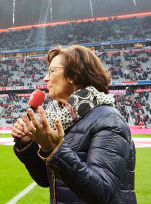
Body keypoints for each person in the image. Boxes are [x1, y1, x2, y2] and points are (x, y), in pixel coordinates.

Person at [12, 45, 136, 203]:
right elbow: (46, 180)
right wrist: (28, 145)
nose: (45, 78)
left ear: (73, 76)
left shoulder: (109, 120)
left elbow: (102, 191)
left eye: (52, 71)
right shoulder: (60, 119)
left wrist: (53, 149)